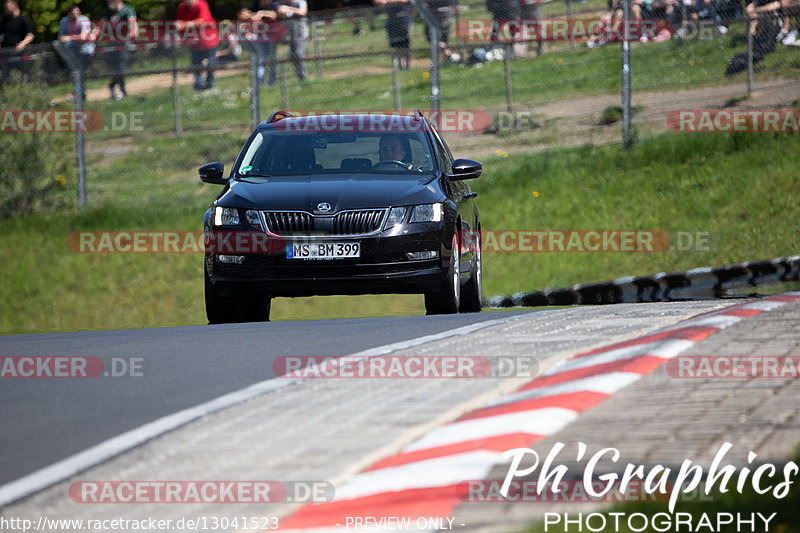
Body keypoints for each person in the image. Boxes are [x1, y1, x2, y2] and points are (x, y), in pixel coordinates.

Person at [95, 0, 136, 100]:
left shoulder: (127, 10)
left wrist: (131, 33)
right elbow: (101, 24)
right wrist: (94, 33)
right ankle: (113, 85)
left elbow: (132, 23)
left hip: (123, 44)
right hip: (112, 44)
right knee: (115, 68)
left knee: (121, 67)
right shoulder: (109, 11)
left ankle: (122, 90)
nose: (108, 2)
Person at [177, 0, 219, 91]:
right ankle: (198, 86)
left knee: (211, 63)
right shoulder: (182, 7)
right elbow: (179, 23)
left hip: (209, 40)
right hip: (194, 42)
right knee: (196, 65)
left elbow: (201, 21)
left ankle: (209, 85)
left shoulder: (201, 5)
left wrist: (185, 25)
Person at [240, 0, 279, 86]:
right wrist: (252, 16)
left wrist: (261, 13)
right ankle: (260, 82)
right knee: (261, 59)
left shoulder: (273, 4)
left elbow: (274, 15)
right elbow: (243, 14)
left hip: (271, 36)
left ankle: (271, 82)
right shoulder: (255, 5)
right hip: (260, 37)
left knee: (272, 59)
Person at [0, 0, 34, 87]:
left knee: (20, 73)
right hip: (5, 52)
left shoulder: (23, 19)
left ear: (15, 6)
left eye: (8, 7)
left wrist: (22, 44)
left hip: (18, 51)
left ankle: (22, 88)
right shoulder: (5, 20)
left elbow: (30, 35)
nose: (6, 9)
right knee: (5, 75)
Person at [375, 0, 412, 69]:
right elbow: (378, 1)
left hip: (403, 18)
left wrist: (389, 2)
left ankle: (407, 64)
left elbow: (404, 1)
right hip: (391, 19)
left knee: (405, 42)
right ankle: (401, 64)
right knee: (396, 43)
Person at [277, 0, 309, 81]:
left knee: (299, 53)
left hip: (300, 32)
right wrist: (281, 13)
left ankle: (303, 75)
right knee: (292, 54)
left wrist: (289, 9)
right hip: (291, 34)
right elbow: (283, 16)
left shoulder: (300, 2)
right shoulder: (283, 4)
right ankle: (300, 75)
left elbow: (303, 12)